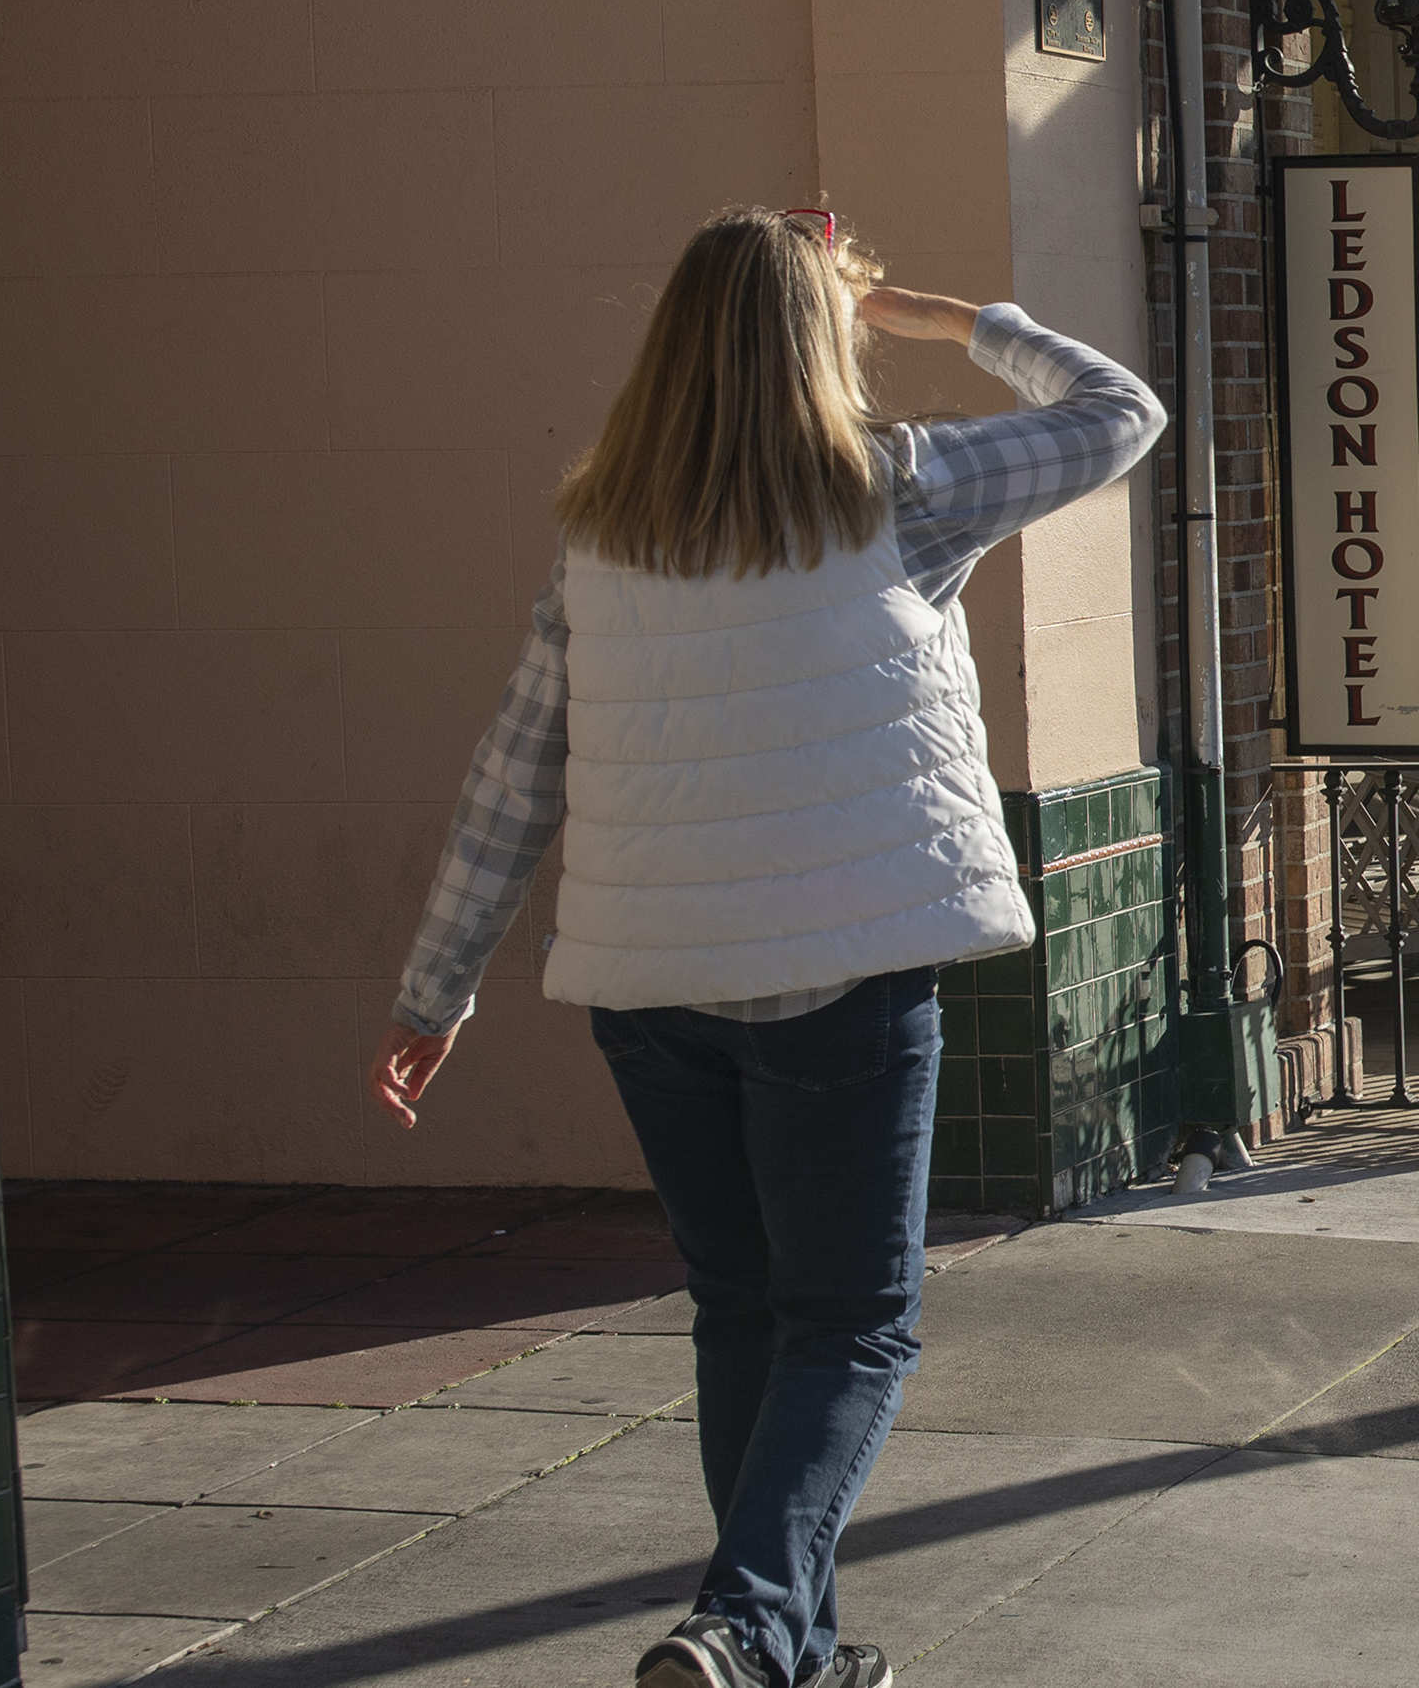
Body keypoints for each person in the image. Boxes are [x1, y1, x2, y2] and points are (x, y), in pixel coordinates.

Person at [366, 209, 1164, 1688]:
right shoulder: (902, 485)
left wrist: (438, 989)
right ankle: (739, 1617)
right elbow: (1125, 411)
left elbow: (515, 771)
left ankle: (781, 1649)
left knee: (740, 1308)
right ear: (825, 337)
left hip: (650, 991)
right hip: (839, 989)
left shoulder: (602, 532)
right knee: (854, 1325)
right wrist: (950, 316)